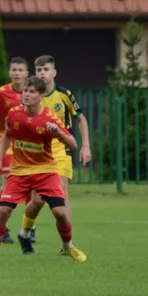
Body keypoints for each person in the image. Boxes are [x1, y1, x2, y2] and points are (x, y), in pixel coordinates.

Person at [0, 76, 86, 264]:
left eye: (31, 92)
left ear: (41, 96)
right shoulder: (14, 114)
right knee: (3, 212)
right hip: (19, 171)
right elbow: (7, 135)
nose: (26, 94)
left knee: (60, 213)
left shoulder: (50, 118)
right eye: (25, 91)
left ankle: (68, 246)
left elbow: (73, 144)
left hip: (45, 171)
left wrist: (57, 132)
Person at [22, 55, 91, 249]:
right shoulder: (31, 97)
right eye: (39, 70)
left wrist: (85, 145)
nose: (42, 73)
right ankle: (26, 230)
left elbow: (81, 119)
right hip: (37, 154)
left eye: (46, 70)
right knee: (37, 201)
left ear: (54, 72)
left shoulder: (64, 94)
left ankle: (66, 244)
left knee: (61, 196)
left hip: (61, 152)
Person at [0, 57, 31, 244]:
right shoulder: (1, 93)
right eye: (14, 70)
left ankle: (28, 228)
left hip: (29, 144)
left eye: (21, 70)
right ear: (9, 73)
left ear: (27, 73)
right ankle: (4, 228)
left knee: (31, 187)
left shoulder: (33, 93)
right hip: (7, 142)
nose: (17, 73)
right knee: (8, 183)